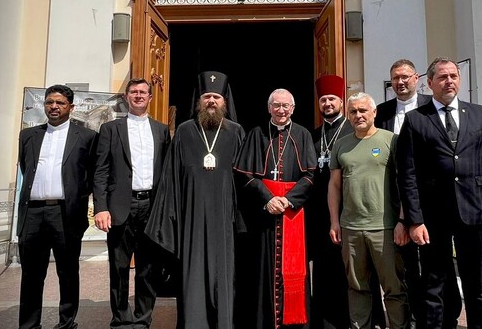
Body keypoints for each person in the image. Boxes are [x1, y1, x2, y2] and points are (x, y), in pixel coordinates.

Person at [396, 57, 482, 329]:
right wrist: (414, 220)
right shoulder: (415, 120)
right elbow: (408, 175)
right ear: (430, 82)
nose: (449, 81)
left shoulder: (480, 114)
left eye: (453, 76)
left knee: (477, 285)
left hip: (476, 211)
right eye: (443, 77)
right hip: (434, 217)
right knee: (435, 284)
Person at [145, 71, 245, 329]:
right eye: (206, 96)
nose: (211, 101)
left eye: (216, 97)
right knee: (193, 275)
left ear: (225, 101)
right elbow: (170, 179)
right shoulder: (185, 131)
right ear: (199, 101)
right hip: (191, 217)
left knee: (225, 276)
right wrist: (170, 218)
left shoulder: (236, 132)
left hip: (225, 218)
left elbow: (247, 180)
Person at [375, 59, 461, 328]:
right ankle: (415, 318)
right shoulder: (382, 112)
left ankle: (448, 315)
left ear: (418, 79)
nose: (401, 83)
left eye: (405, 77)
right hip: (398, 200)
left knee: (440, 263)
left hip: (434, 203)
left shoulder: (431, 106)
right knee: (409, 265)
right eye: (395, 79)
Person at [234, 88, 317, 328]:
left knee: (294, 273)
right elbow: (244, 175)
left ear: (293, 108)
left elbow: (310, 175)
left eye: (286, 106)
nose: (281, 110)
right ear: (269, 107)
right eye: (277, 105)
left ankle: (294, 323)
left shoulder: (301, 134)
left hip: (292, 214)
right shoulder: (256, 134)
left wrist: (289, 200)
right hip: (263, 217)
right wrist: (267, 198)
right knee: (261, 272)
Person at [16, 84, 97, 329]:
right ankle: (29, 324)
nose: (54, 107)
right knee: (31, 274)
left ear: (71, 107)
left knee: (68, 272)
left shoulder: (86, 137)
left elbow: (91, 175)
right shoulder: (28, 135)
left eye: (60, 103)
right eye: (50, 102)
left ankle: (66, 323)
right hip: (32, 213)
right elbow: (25, 167)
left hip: (65, 214)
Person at [328, 92, 410, 329]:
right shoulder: (341, 145)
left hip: (385, 228)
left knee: (394, 289)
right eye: (353, 111)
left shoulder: (391, 140)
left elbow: (405, 182)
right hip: (351, 228)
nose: (358, 115)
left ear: (374, 112)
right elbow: (334, 186)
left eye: (363, 110)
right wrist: (334, 222)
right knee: (357, 288)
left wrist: (403, 220)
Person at [93, 78, 170, 328]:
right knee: (119, 266)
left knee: (149, 266)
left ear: (150, 97)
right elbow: (101, 171)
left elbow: (167, 173)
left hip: (152, 206)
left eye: (143, 92)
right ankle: (121, 318)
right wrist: (101, 207)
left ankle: (143, 318)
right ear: (126, 97)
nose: (138, 96)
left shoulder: (161, 130)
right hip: (119, 207)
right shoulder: (110, 129)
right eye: (134, 92)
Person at [306, 75, 354, 329]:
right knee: (323, 272)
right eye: (323, 100)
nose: (327, 104)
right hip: (319, 214)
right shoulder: (313, 135)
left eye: (332, 99)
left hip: (348, 213)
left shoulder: (353, 131)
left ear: (341, 101)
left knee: (349, 271)